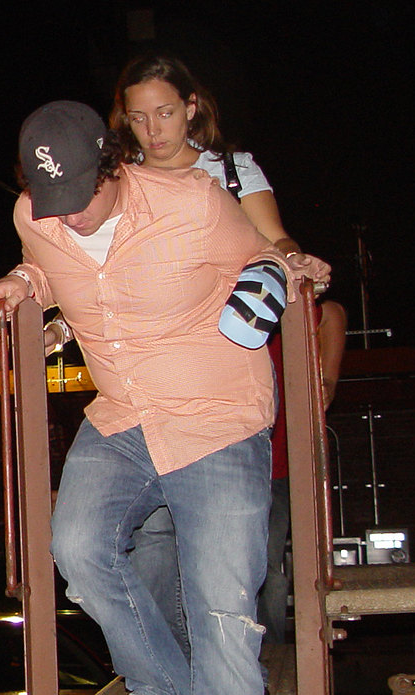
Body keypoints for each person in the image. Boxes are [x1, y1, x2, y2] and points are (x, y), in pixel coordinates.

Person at [0, 101, 329, 695]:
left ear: (113, 164)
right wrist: (24, 281)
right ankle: (163, 683)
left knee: (223, 619)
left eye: (82, 200)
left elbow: (264, 256)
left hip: (216, 417)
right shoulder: (36, 216)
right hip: (124, 416)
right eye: (52, 204)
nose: (68, 218)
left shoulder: (193, 202)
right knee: (74, 545)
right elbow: (47, 261)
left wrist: (278, 273)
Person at [110, 53, 347, 643]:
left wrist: (295, 261)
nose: (153, 130)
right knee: (156, 536)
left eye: (166, 112)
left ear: (191, 108)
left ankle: (236, 662)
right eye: (139, 118)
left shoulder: (231, 171)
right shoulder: (120, 182)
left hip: (225, 378)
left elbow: (275, 239)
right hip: (155, 377)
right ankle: (174, 667)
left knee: (230, 541)